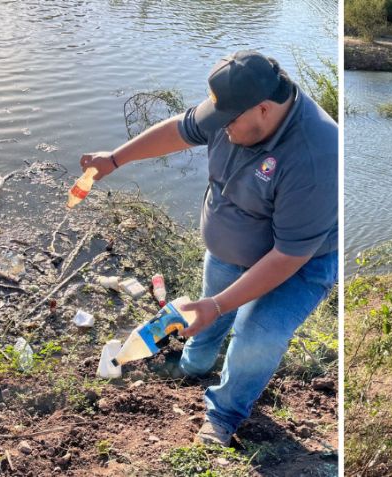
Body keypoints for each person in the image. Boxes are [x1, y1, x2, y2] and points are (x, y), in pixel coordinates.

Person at [79, 50, 338, 446]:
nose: (220, 129)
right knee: (206, 318)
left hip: (297, 264)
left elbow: (289, 255)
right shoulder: (234, 108)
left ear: (265, 110)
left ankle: (224, 415)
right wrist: (116, 159)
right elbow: (181, 130)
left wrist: (221, 304)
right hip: (227, 250)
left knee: (256, 337)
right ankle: (193, 366)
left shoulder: (317, 155)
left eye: (228, 122)